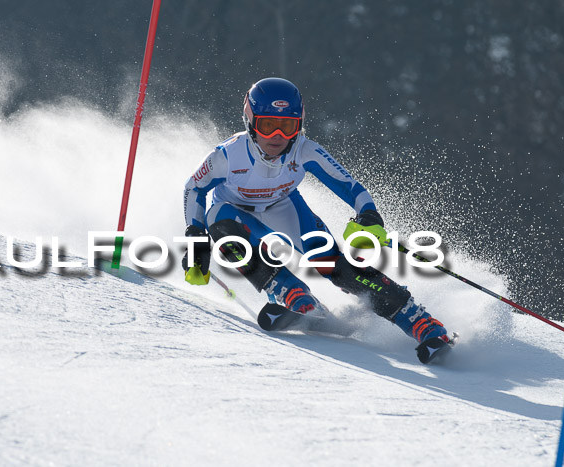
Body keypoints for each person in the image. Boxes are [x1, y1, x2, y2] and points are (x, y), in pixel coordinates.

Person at [181, 77, 453, 362]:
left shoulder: (304, 149)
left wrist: (369, 215)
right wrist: (195, 240)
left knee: (330, 262)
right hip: (233, 210)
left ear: (298, 125)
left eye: (287, 126)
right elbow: (193, 189)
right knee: (218, 221)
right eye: (267, 125)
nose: (277, 136)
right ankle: (290, 291)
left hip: (282, 206)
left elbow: (349, 186)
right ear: (250, 123)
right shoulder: (227, 156)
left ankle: (419, 321)